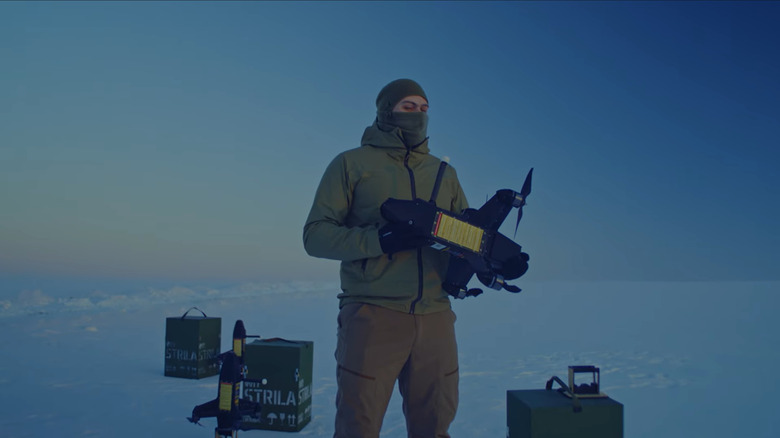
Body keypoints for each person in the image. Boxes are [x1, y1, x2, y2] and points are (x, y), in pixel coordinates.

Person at [303, 78, 469, 438]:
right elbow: (315, 235)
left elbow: (464, 238)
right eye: (409, 107)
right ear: (385, 111)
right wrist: (379, 239)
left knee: (436, 426)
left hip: (437, 318)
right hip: (372, 315)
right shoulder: (351, 164)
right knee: (357, 426)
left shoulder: (445, 174)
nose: (418, 115)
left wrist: (488, 258)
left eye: (424, 109)